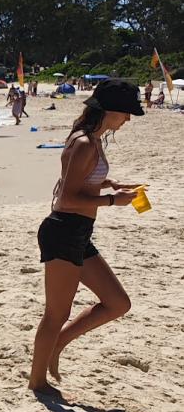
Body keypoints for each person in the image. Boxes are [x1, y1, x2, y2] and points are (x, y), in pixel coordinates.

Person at [28, 79, 145, 392]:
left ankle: (59, 344)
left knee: (117, 303)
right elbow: (65, 199)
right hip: (63, 230)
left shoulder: (93, 139)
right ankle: (37, 383)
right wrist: (112, 202)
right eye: (126, 113)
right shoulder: (83, 142)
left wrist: (107, 185)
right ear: (109, 110)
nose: (129, 119)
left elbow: (76, 182)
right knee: (56, 314)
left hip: (77, 232)